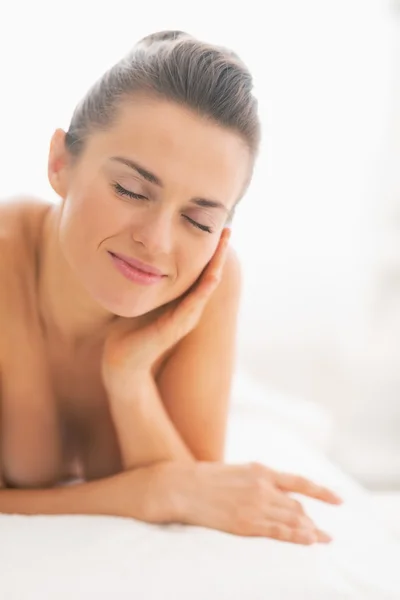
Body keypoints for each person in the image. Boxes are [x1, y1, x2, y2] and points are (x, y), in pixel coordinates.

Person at [0, 30, 342, 544]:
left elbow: (195, 491)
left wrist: (130, 376)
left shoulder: (209, 286)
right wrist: (146, 493)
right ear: (60, 163)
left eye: (199, 221)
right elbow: (176, 489)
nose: (156, 242)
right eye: (130, 189)